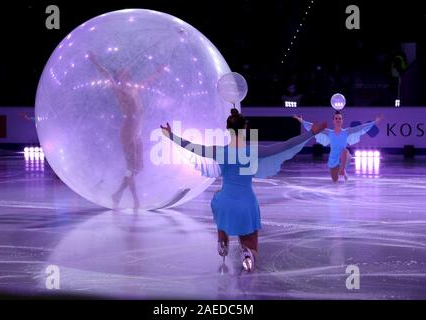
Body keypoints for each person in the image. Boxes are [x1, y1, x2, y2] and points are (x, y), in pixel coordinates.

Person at [161, 109, 327, 272]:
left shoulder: (219, 151)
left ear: (228, 129)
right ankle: (248, 253)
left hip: (225, 203)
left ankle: (222, 240)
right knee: (251, 240)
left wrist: (170, 135)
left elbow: (192, 147)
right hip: (246, 205)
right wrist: (311, 132)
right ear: (245, 128)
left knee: (218, 203)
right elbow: (285, 145)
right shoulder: (253, 151)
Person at [88, 51, 166, 209]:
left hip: (137, 131)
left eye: (127, 71)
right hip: (129, 130)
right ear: (120, 77)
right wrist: (95, 62)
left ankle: (117, 193)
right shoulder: (119, 91)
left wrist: (158, 73)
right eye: (123, 72)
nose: (127, 73)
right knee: (131, 167)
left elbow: (147, 81)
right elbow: (106, 75)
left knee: (138, 168)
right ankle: (135, 200)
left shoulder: (134, 89)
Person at [295, 111, 383, 182]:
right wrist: (302, 121)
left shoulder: (347, 132)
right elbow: (313, 127)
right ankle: (341, 170)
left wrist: (375, 122)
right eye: (336, 118)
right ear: (333, 121)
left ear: (342, 120)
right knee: (335, 180)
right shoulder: (328, 132)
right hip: (333, 160)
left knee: (344, 151)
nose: (338, 120)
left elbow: (361, 127)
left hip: (344, 157)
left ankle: (342, 169)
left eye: (340, 118)